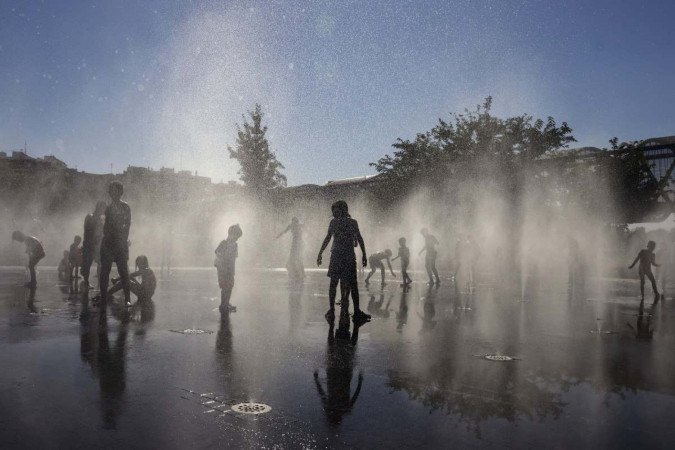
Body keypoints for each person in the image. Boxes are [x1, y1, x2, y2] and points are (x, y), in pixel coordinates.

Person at [317, 200, 370, 323]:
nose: (334, 212)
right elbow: (328, 238)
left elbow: (359, 238)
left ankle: (354, 311)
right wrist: (320, 253)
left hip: (345, 257)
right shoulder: (336, 223)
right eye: (333, 210)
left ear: (343, 209)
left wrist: (364, 255)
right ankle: (333, 310)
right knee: (336, 283)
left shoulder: (350, 223)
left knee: (351, 284)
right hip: (339, 256)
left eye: (336, 210)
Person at [99, 182, 131, 310]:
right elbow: (104, 226)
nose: (113, 193)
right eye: (111, 191)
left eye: (115, 190)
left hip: (120, 243)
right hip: (108, 243)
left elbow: (128, 224)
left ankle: (127, 298)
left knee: (123, 271)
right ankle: (103, 297)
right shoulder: (108, 208)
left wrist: (123, 240)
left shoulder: (125, 207)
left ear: (121, 192)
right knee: (104, 272)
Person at [215, 224, 243, 314]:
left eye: (238, 237)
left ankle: (226, 303)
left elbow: (235, 258)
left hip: (230, 270)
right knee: (224, 287)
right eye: (236, 236)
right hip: (223, 269)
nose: (236, 239)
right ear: (230, 234)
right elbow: (217, 252)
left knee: (230, 286)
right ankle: (223, 305)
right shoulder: (224, 243)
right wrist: (221, 259)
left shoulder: (235, 245)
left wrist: (232, 269)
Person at [82, 201, 106, 286]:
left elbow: (104, 231)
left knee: (100, 263)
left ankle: (100, 282)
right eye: (103, 207)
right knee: (88, 263)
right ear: (99, 207)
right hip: (90, 244)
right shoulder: (90, 217)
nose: (104, 210)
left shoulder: (102, 219)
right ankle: (86, 281)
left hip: (98, 244)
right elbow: (87, 231)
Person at [276, 216, 305, 281]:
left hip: (298, 243)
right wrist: (278, 236)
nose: (294, 223)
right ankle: (295, 272)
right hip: (295, 243)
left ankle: (299, 272)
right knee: (294, 257)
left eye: (295, 222)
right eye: (293, 222)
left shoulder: (298, 225)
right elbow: (284, 231)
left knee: (298, 257)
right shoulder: (292, 226)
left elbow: (306, 229)